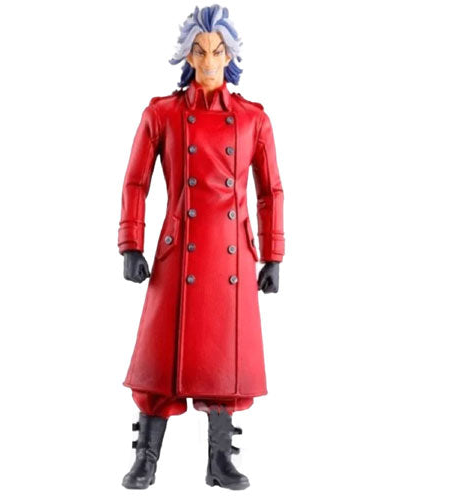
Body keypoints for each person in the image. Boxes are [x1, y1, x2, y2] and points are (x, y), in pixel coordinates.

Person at [118, 5, 285, 489]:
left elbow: (271, 191)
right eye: (200, 51)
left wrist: (273, 255)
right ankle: (146, 457)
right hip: (178, 252)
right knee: (159, 361)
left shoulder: (254, 119)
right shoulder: (162, 114)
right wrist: (131, 244)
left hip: (232, 254)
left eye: (218, 51)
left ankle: (220, 459)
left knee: (223, 360)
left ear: (230, 56)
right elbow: (136, 182)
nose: (209, 61)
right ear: (187, 57)